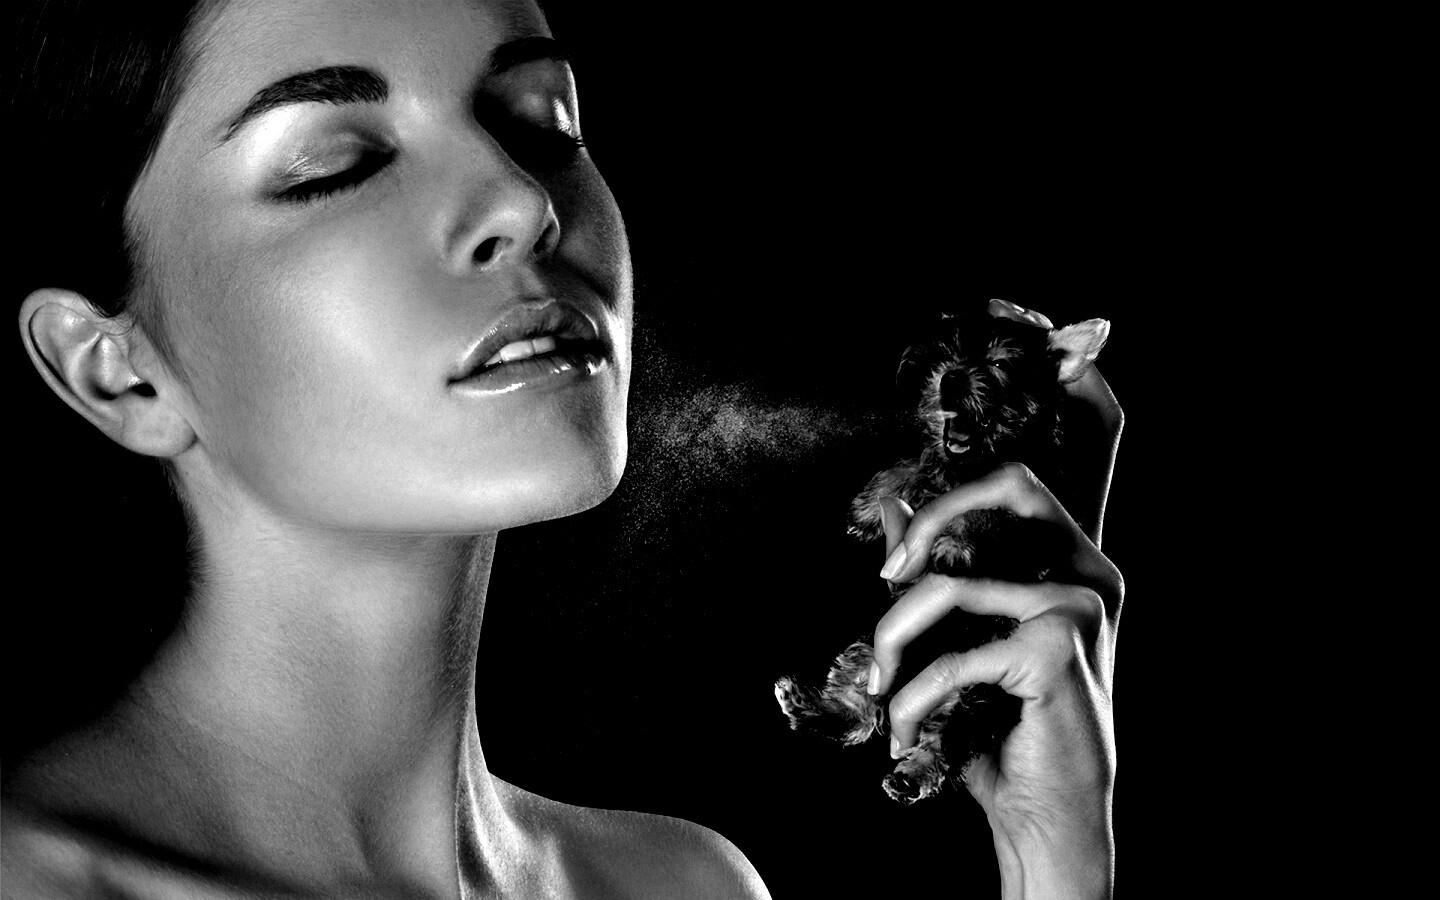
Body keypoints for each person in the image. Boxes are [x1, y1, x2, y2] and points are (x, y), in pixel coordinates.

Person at [2, 1, 1123, 897]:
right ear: (118, 370)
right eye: (334, 164)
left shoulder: (689, 885)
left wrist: (1055, 849)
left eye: (545, 126)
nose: (520, 199)